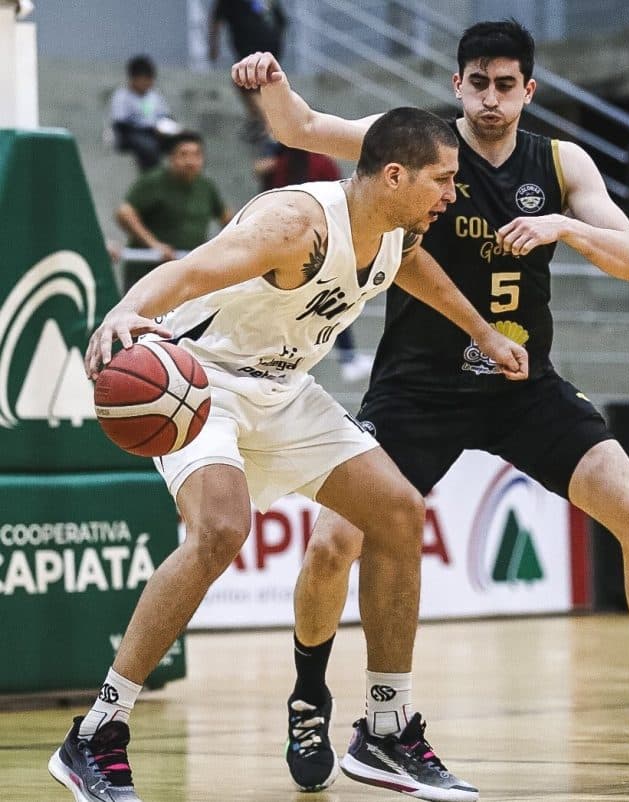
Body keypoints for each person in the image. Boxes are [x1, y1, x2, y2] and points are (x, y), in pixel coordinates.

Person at [231, 18, 629, 795]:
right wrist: (271, 79)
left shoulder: (561, 163)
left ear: (529, 90)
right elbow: (300, 127)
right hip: (419, 390)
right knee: (332, 545)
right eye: (478, 83)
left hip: (522, 384)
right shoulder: (416, 143)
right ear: (457, 85)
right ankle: (308, 698)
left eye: (507, 85)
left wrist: (563, 223)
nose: (491, 99)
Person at [48, 107, 529, 802]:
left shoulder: (395, 230)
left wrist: (482, 332)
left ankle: (387, 729)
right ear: (393, 175)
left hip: (284, 391)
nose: (452, 196)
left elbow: (413, 269)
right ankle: (96, 733)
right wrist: (127, 309)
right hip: (198, 382)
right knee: (221, 529)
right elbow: (191, 271)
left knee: (397, 511)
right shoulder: (295, 224)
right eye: (442, 180)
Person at [257, 142, 374, 382]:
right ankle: (345, 357)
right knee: (316, 302)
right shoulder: (283, 163)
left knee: (323, 301)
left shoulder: (311, 162)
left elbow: (341, 199)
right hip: (295, 242)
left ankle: (346, 357)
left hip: (310, 242)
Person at [115, 131, 233, 294]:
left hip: (187, 274)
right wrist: (154, 245)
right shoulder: (154, 181)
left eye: (196, 155)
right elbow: (125, 213)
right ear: (171, 158)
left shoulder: (206, 187)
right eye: (184, 155)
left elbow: (227, 218)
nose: (191, 161)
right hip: (149, 273)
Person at [208, 0, 288, 144]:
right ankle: (258, 119)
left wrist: (213, 47)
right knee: (255, 83)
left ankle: (269, 126)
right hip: (271, 41)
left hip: (250, 42)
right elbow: (282, 21)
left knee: (244, 81)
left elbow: (216, 20)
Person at [109, 55, 180, 171]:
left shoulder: (154, 96)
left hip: (155, 133)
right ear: (134, 79)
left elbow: (165, 116)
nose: (149, 83)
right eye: (145, 79)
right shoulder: (122, 96)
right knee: (148, 146)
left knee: (182, 142)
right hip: (131, 134)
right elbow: (121, 123)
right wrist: (149, 129)